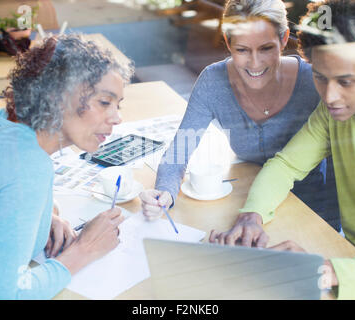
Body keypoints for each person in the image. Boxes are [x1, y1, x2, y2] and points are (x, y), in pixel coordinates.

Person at [210, 0, 355, 299]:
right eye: (320, 77)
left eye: (345, 82)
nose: (331, 97)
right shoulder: (331, 112)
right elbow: (286, 165)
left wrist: (333, 271)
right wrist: (252, 215)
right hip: (350, 255)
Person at [0, 34, 134, 299]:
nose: (117, 117)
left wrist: (44, 216)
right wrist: (84, 249)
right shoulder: (27, 168)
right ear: (58, 97)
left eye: (118, 104)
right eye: (105, 102)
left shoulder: (0, 121)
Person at [139, 0, 340, 231]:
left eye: (266, 48)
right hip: (245, 205)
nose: (254, 63)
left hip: (310, 212)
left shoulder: (315, 82)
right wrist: (165, 192)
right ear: (227, 42)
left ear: (284, 39)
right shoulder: (213, 82)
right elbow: (178, 152)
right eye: (242, 50)